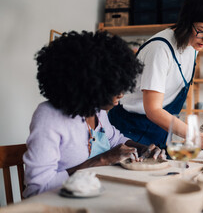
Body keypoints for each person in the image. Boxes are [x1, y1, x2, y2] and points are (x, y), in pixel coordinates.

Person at [23, 31, 165, 198]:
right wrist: (102, 160)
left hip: (100, 195)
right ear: (90, 85)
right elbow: (38, 189)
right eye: (114, 88)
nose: (121, 94)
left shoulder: (96, 109)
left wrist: (142, 148)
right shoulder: (48, 116)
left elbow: (114, 139)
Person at [108, 0, 203, 158]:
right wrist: (196, 137)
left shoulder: (193, 47)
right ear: (187, 21)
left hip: (157, 132)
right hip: (129, 130)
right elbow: (153, 109)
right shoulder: (160, 49)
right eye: (202, 31)